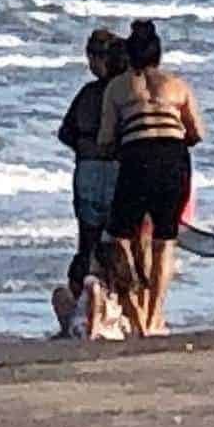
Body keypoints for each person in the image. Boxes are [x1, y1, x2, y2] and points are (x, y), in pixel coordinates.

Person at [98, 19, 205, 336]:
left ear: (130, 56)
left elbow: (105, 137)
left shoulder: (118, 87)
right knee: (164, 239)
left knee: (120, 237)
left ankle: (135, 310)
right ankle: (154, 315)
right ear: (158, 55)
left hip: (136, 158)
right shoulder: (178, 85)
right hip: (173, 158)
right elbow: (196, 132)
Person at [57, 29, 130, 272]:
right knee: (117, 244)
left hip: (88, 168)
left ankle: (86, 296)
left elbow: (65, 133)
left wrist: (84, 147)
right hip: (120, 169)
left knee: (87, 242)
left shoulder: (89, 93)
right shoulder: (127, 92)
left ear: (99, 60)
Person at [51, 249, 129, 341]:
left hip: (86, 326)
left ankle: (66, 330)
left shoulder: (92, 281)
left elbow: (96, 308)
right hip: (111, 326)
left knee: (60, 293)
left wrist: (93, 332)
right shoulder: (117, 283)